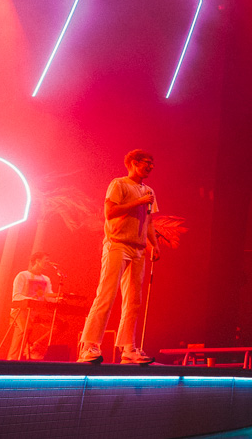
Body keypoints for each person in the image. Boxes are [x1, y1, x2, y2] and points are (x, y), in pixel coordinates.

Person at [78, 149, 161, 364]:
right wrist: (139, 202)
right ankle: (89, 346)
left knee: (134, 301)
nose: (151, 166)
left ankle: (128, 348)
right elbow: (110, 212)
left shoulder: (149, 191)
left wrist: (155, 244)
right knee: (106, 294)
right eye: (147, 162)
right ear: (133, 163)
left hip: (138, 249)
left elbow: (149, 221)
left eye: (152, 162)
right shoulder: (119, 184)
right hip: (117, 245)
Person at [8, 251, 58, 360]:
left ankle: (36, 347)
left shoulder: (46, 279)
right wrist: (31, 300)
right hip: (20, 311)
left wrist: (59, 298)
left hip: (36, 312)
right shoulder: (22, 275)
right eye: (46, 260)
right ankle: (13, 360)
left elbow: (48, 297)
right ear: (37, 261)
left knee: (60, 325)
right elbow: (16, 296)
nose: (48, 262)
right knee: (26, 328)